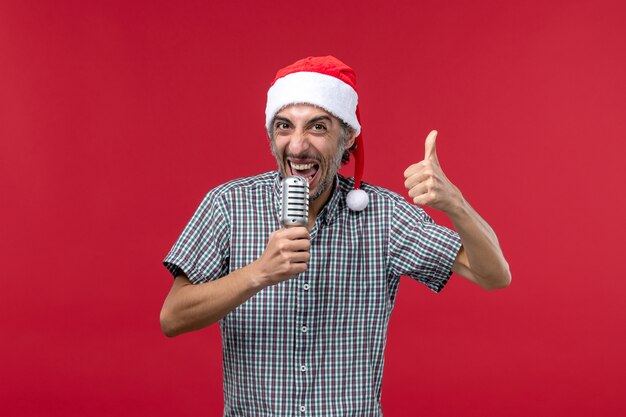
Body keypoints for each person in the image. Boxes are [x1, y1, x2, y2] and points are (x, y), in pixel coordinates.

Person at [160, 56, 511, 417]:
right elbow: (172, 318)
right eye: (284, 126)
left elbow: (494, 275)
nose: (297, 147)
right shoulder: (228, 206)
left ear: (348, 137)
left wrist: (456, 204)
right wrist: (259, 273)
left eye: (317, 127)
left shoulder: (383, 216)